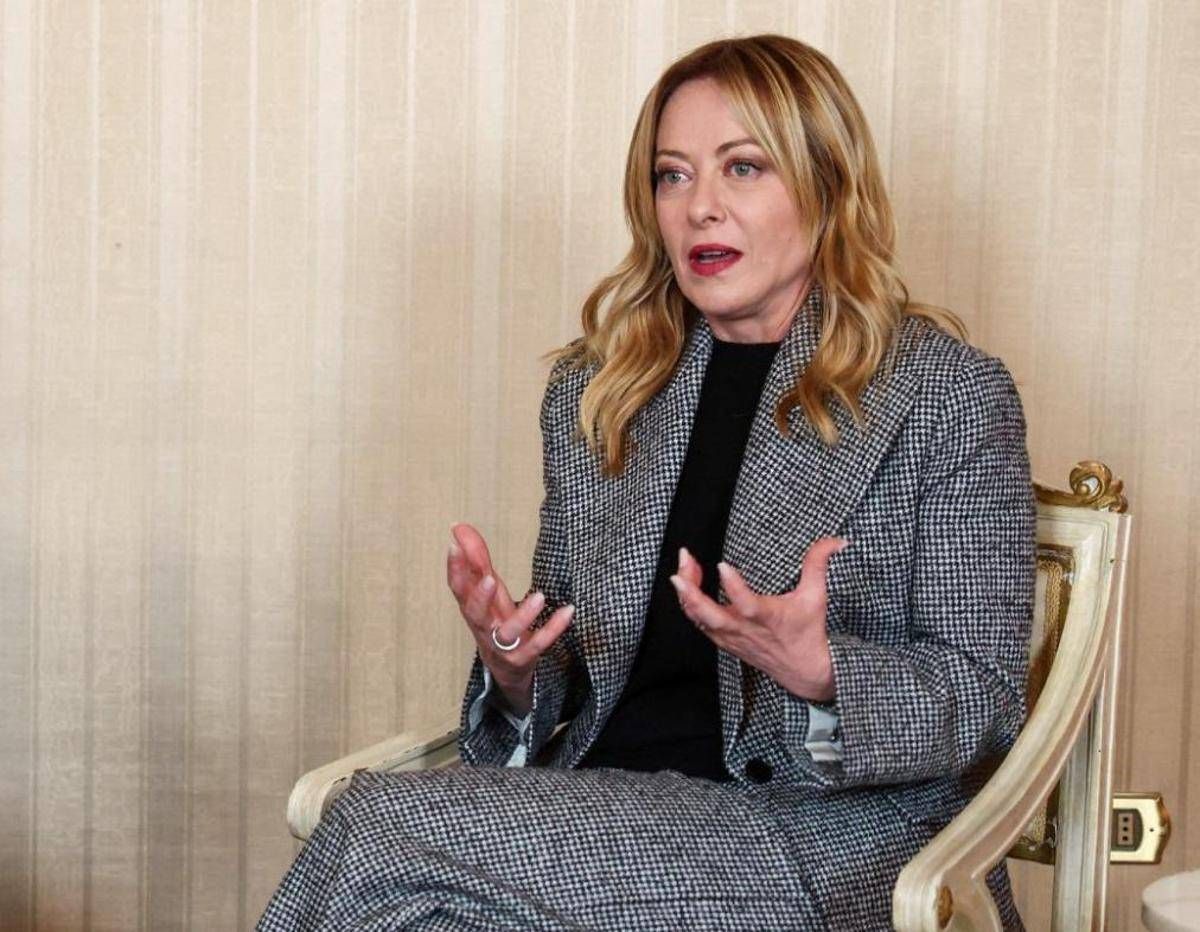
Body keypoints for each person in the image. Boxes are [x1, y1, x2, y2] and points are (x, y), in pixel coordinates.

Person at [258, 34, 1034, 931]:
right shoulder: (605, 388)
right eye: (673, 176)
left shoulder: (945, 394)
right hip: (604, 807)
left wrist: (823, 674)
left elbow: (983, 701)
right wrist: (516, 671)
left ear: (826, 185)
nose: (700, 207)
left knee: (375, 819)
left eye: (742, 168)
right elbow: (571, 671)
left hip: (815, 837)